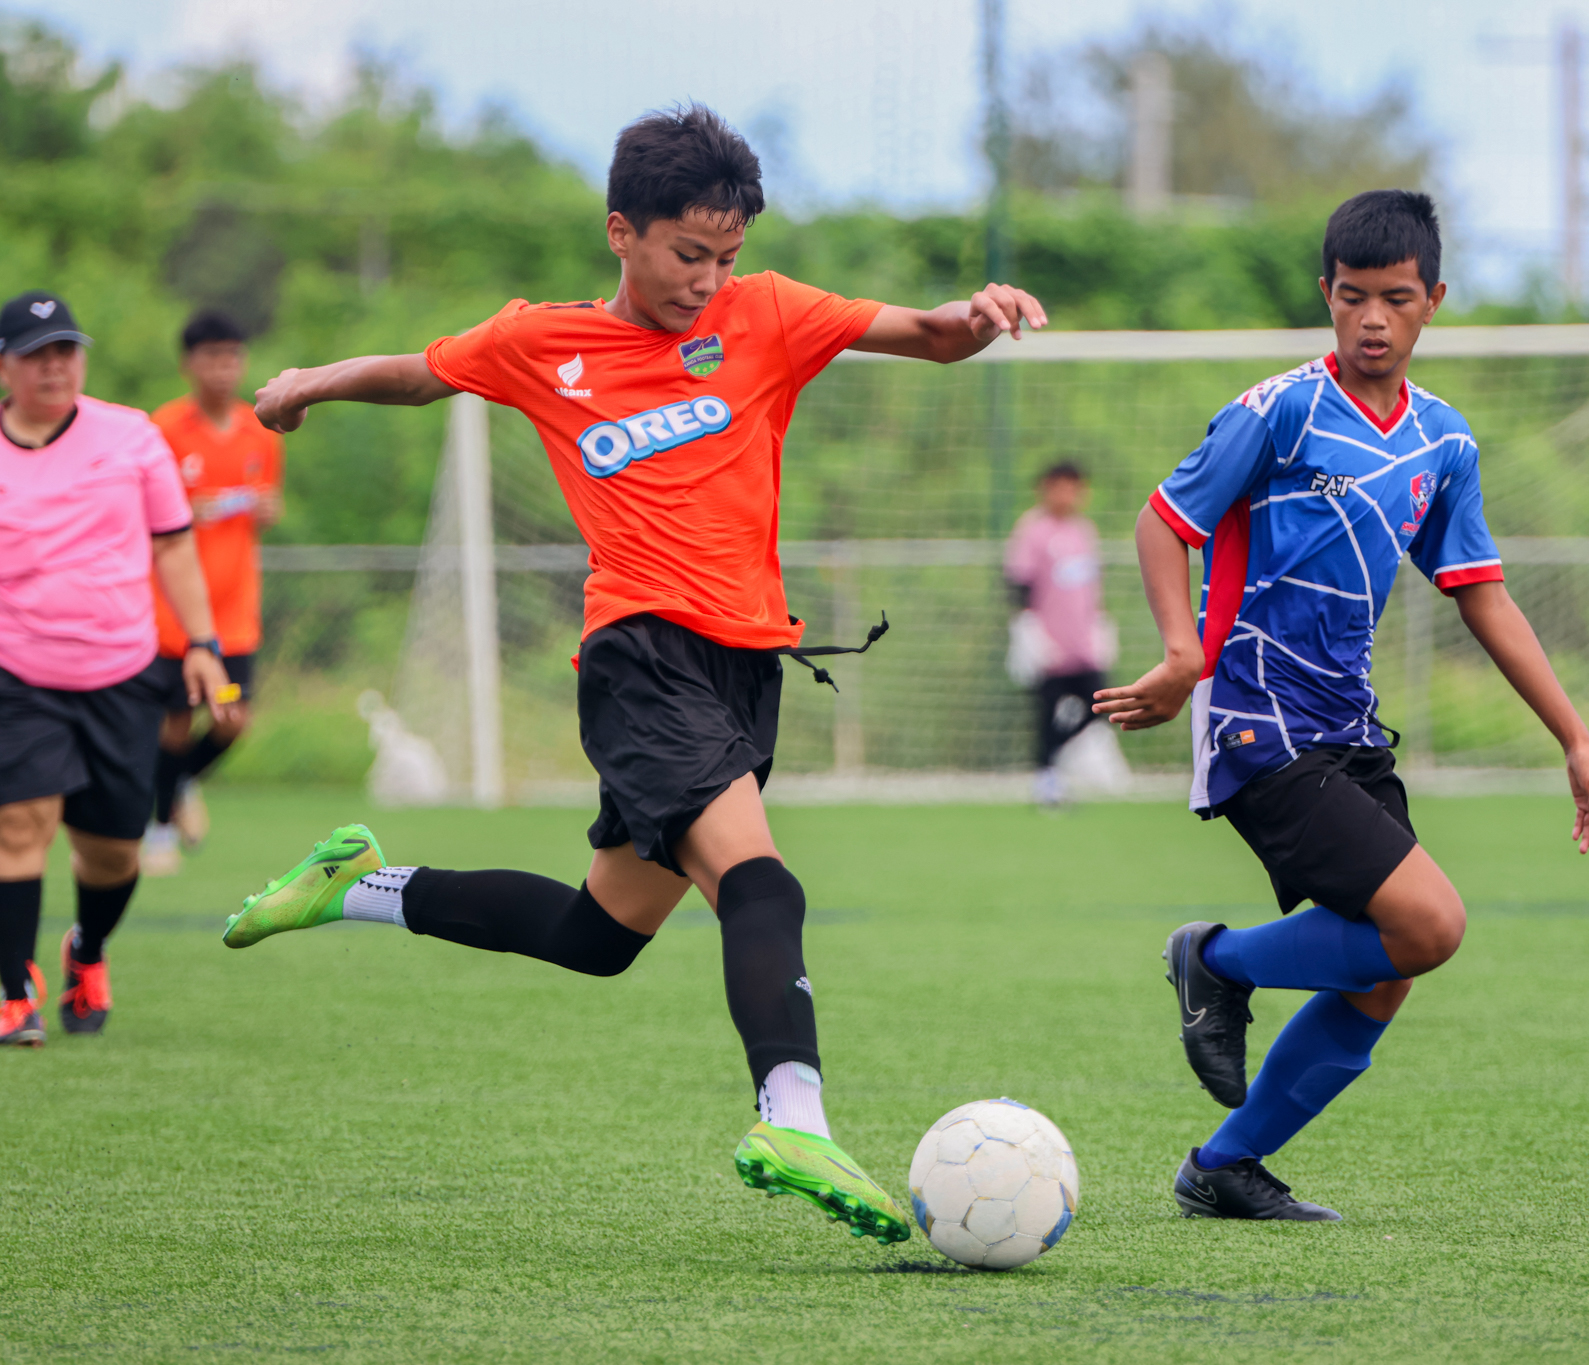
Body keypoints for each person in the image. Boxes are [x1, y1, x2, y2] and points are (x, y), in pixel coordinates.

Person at [225, 105, 1047, 1245]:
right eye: (686, 254)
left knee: (599, 935)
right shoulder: (540, 342)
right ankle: (794, 1118)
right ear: (622, 232)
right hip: (640, 655)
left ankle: (354, 884)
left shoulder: (766, 312)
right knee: (761, 885)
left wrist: (979, 313)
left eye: (726, 257)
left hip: (745, 665)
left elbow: (931, 335)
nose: (708, 280)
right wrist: (309, 380)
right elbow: (419, 375)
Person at [1094, 191, 1589, 1221]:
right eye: (1351, 297)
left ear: (1433, 300)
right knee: (1430, 923)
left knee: (1386, 970)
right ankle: (1215, 961)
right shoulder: (1278, 410)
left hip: (1346, 724)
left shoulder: (1443, 443)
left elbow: (1481, 593)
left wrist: (1575, 737)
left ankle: (1223, 1166)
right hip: (1256, 713)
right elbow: (1163, 522)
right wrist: (1180, 656)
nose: (1372, 319)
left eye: (1395, 299)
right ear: (1326, 295)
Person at [0, 291, 233, 1046]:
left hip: (122, 671)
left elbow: (173, 543)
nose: (54, 367)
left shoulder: (132, 437)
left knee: (111, 852)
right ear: (5, 366)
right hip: (17, 672)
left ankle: (88, 949)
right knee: (19, 824)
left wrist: (203, 644)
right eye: (36, 355)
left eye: (65, 351)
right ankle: (14, 994)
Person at [140, 310, 285, 876]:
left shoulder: (259, 429)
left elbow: (266, 505)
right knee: (176, 723)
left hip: (233, 615)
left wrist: (266, 511)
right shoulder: (165, 429)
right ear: (189, 363)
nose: (223, 368)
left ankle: (176, 784)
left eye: (232, 356)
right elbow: (145, 516)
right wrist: (185, 512)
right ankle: (158, 831)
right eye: (212, 357)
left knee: (231, 718)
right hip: (177, 615)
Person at [1003, 461, 1114, 806]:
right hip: (1049, 646)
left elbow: (1092, 588)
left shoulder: (1084, 531)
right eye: (1059, 486)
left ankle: (1063, 756)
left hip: (1083, 644)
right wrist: (1028, 630)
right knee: (1047, 713)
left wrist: (1101, 626)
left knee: (1101, 704)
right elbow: (1018, 582)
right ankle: (1046, 778)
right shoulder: (1033, 530)